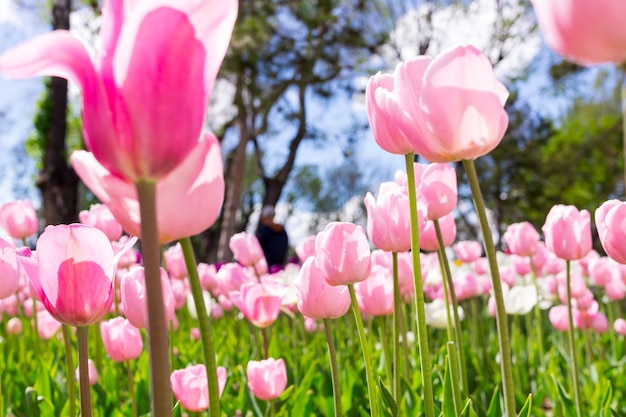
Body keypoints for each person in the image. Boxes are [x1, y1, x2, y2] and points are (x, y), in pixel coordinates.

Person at [257, 205, 289, 270]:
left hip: (266, 267)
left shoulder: (265, 230)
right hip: (279, 266)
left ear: (263, 218)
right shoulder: (283, 231)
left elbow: (259, 248)